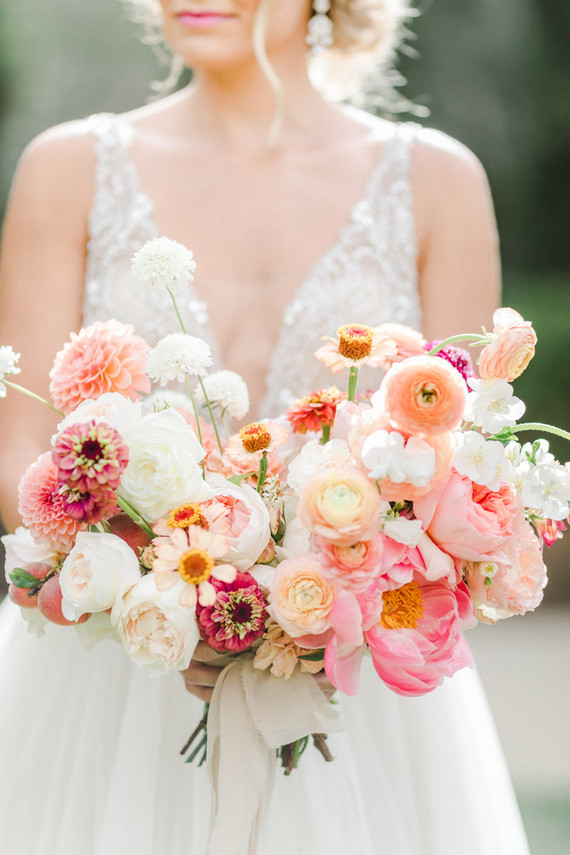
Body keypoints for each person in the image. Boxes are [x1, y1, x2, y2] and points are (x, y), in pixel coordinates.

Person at [0, 1, 530, 853]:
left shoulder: (437, 180)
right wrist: (169, 596)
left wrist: (320, 608)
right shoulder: (67, 170)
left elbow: (460, 462)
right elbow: (19, 455)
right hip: (117, 662)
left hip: (353, 676)